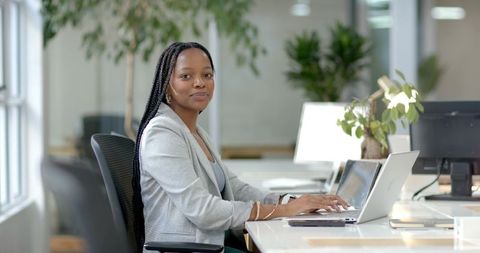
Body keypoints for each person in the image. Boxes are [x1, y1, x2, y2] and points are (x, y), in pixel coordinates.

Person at [132, 42, 349, 253]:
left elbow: (236, 189)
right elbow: (202, 210)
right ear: (167, 84)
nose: (200, 83)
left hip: (213, 243)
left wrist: (291, 201)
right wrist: (284, 211)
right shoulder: (162, 133)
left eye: (207, 75)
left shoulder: (197, 133)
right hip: (191, 249)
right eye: (186, 76)